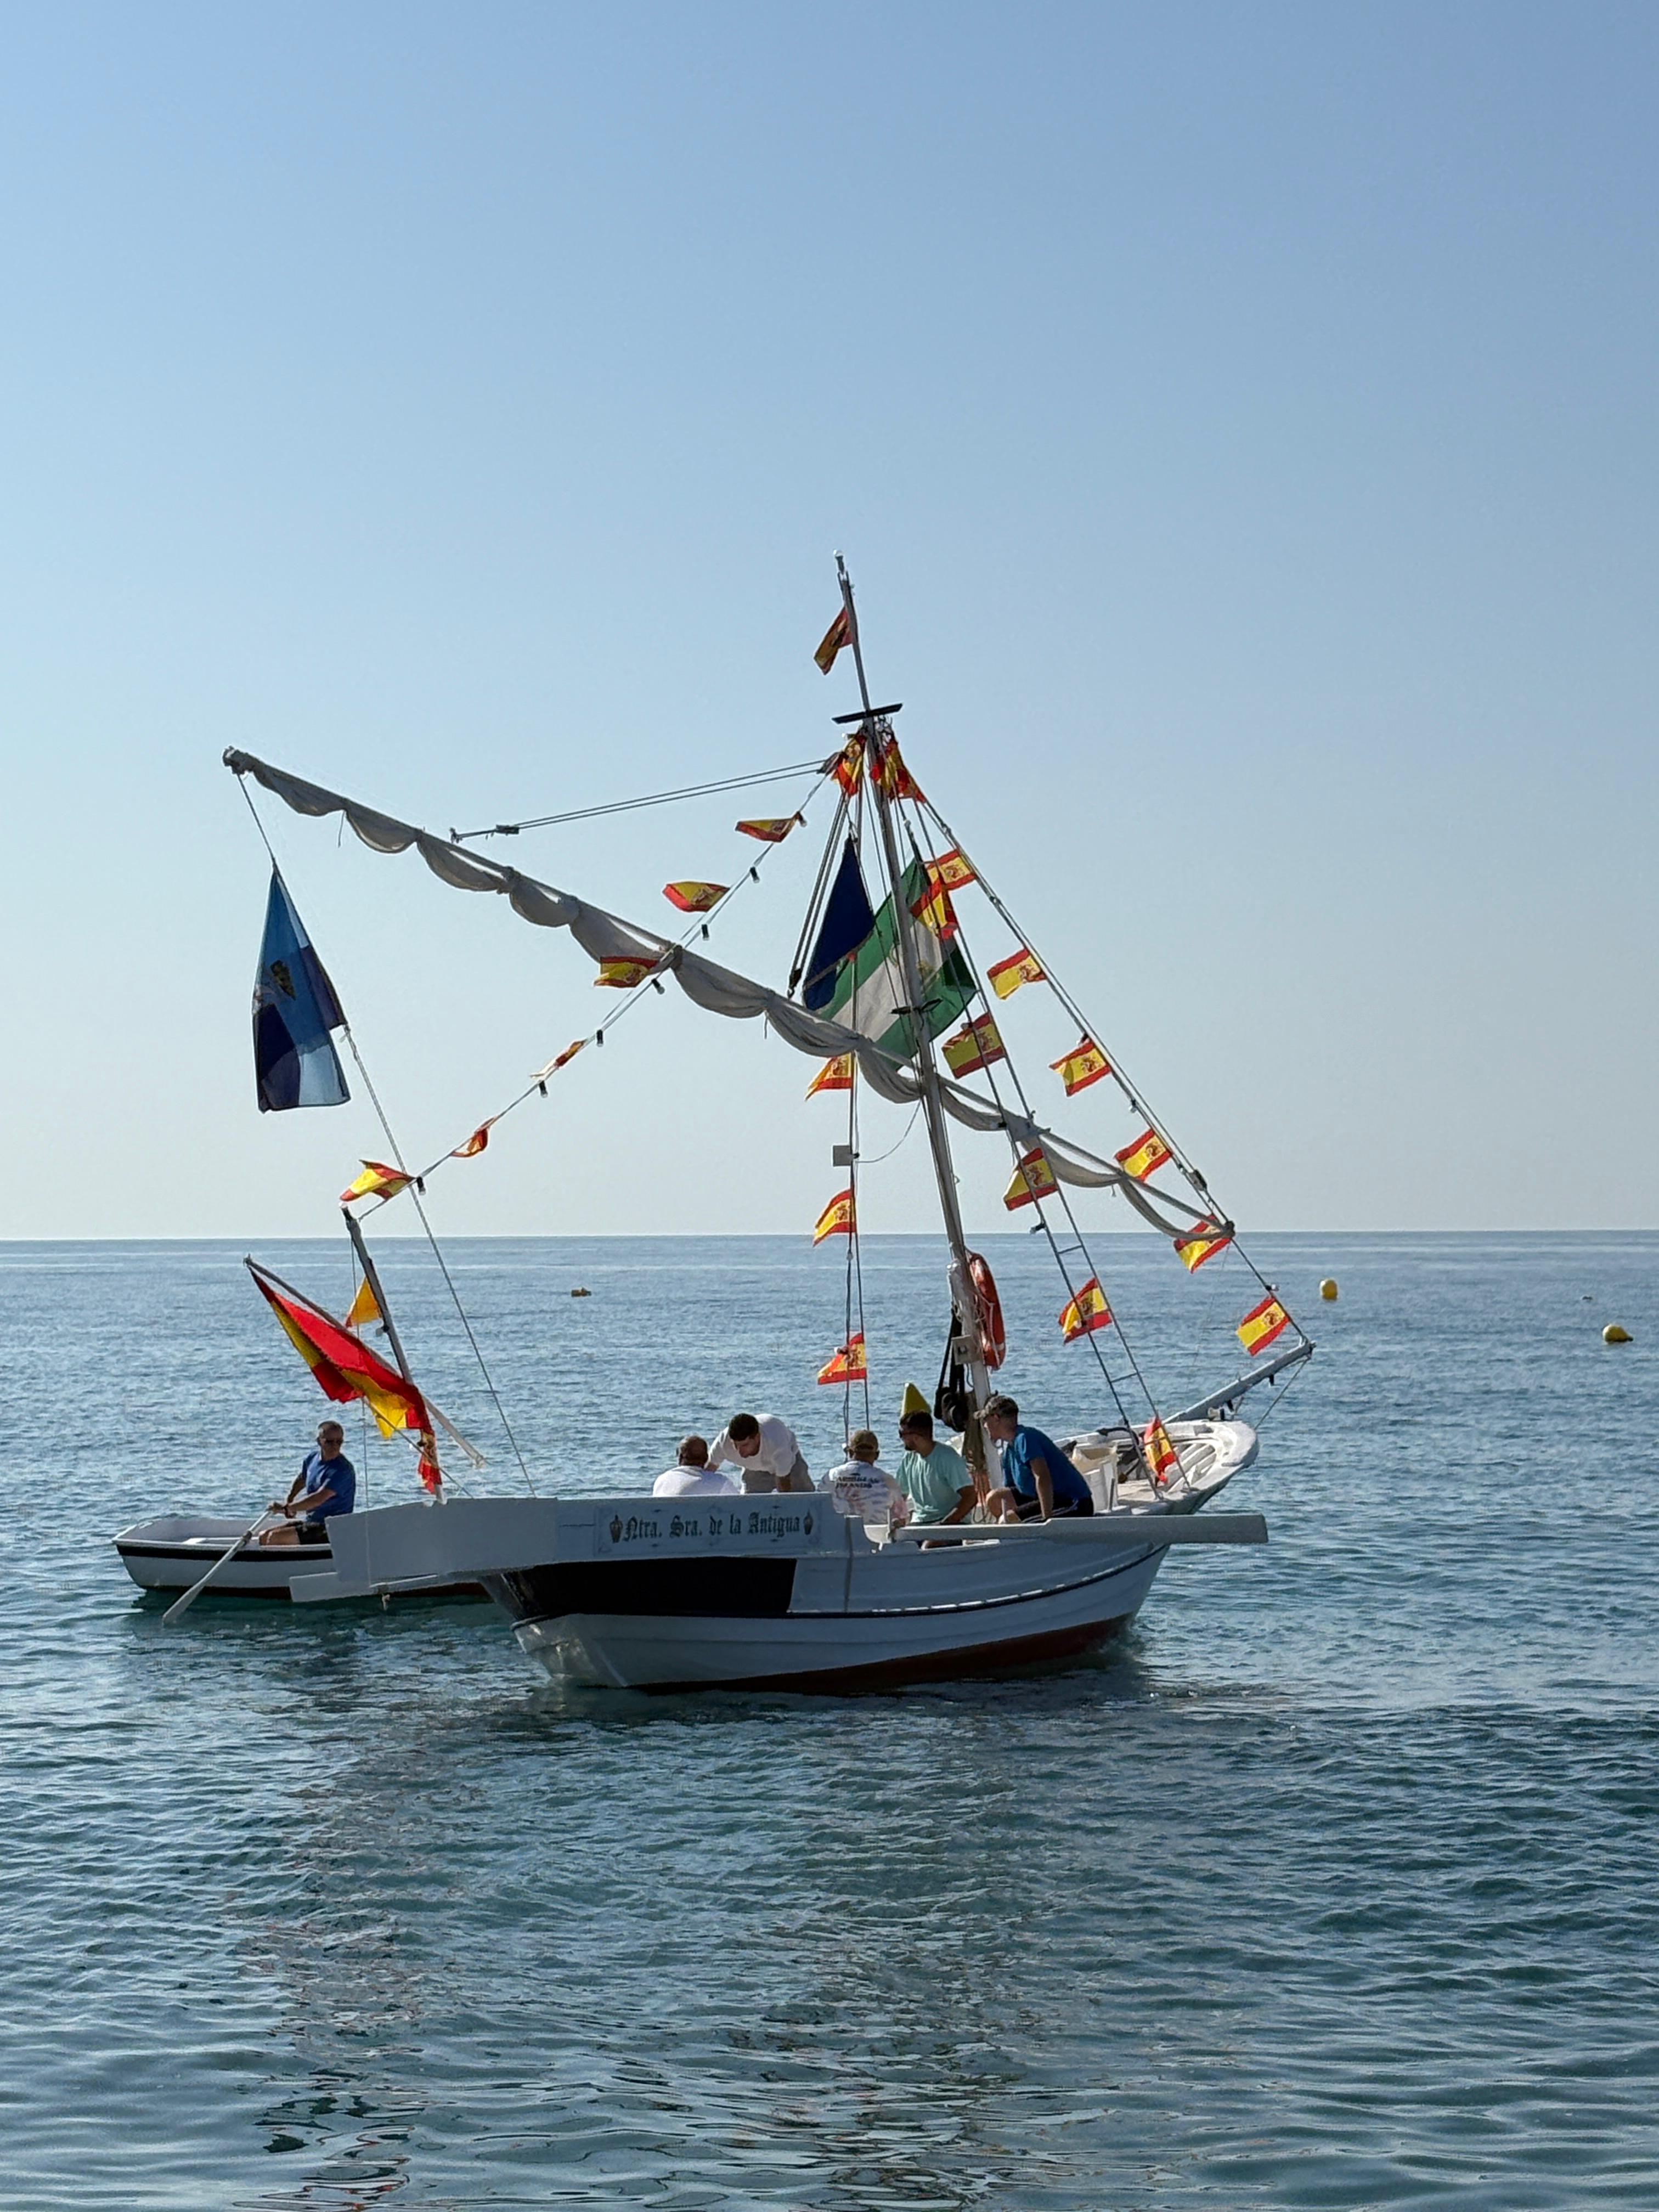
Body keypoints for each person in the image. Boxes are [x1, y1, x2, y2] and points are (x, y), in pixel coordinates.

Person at [982, 1394, 1093, 1522]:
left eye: (986, 1420)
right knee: (995, 1498)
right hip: (1039, 1497)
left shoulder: (1026, 1438)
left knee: (1009, 1519)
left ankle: (1028, 1532)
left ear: (996, 1419)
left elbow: (1042, 1477)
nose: (985, 1425)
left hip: (1072, 1501)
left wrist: (1047, 1519)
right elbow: (1011, 1490)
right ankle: (1020, 1532)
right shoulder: (1009, 1451)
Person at [261, 1419, 358, 1546]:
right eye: (330, 1442)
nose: (335, 1446)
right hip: (313, 1521)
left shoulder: (342, 1469)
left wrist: (287, 1509)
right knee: (264, 1536)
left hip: (332, 1527)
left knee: (276, 1538)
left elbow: (318, 1499)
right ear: (319, 1441)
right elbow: (302, 1479)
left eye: (339, 1442)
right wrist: (290, 1499)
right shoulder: (312, 1459)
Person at [894, 1408, 978, 1526]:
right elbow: (900, 1495)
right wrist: (898, 1518)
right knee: (896, 1544)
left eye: (902, 1434)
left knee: (928, 1545)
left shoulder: (948, 1458)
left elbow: (970, 1497)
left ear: (916, 1437)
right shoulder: (909, 1459)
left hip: (949, 1523)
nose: (901, 1439)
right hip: (920, 1523)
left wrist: (947, 1523)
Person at [706, 1410, 812, 1493]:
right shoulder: (723, 1443)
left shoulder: (777, 1443)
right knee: (749, 1505)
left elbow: (784, 1487)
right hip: (754, 1470)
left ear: (757, 1437)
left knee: (807, 1501)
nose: (739, 1451)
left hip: (790, 1467)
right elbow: (708, 1473)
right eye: (735, 1445)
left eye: (745, 1445)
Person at [819, 1431, 909, 1527]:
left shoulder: (831, 1476)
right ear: (877, 1455)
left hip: (834, 1534)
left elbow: (817, 1507)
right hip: (875, 1538)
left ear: (850, 1452)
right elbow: (902, 1518)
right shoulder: (887, 1480)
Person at [653, 1435, 740, 1498]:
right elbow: (740, 1508)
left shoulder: (662, 1480)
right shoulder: (720, 1482)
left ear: (679, 1458)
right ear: (706, 1459)